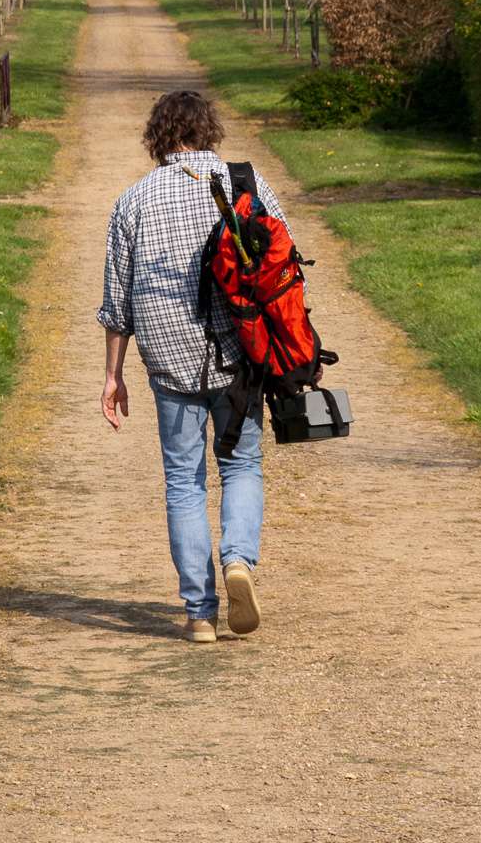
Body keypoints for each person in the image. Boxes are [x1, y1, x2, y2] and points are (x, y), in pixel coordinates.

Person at [97, 90, 291, 643]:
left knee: (184, 481)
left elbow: (117, 303)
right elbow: (285, 269)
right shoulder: (246, 184)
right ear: (208, 131)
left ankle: (200, 613)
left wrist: (113, 375)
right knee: (241, 464)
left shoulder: (133, 200)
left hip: (169, 359)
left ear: (157, 137)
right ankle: (238, 562)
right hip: (238, 356)